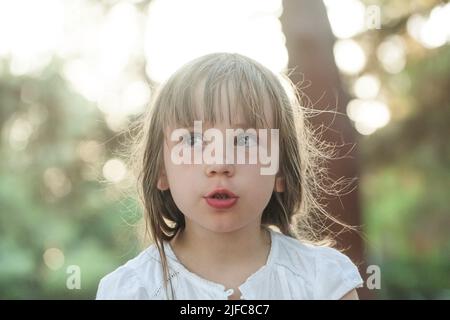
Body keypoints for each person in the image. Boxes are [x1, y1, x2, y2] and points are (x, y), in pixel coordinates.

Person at [96, 52, 363, 300]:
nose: (220, 163)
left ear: (280, 170)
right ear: (161, 171)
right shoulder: (130, 291)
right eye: (193, 139)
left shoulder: (325, 282)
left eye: (245, 140)